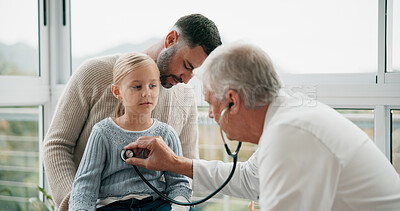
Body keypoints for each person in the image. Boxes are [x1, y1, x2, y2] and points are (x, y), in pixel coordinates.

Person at [124, 42, 400, 210]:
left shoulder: (291, 134)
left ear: (232, 101)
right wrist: (174, 163)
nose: (210, 115)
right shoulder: (287, 119)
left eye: (211, 103)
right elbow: (247, 179)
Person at [42, 14, 222, 211]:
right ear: (171, 39)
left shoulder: (186, 97)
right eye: (187, 66)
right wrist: (78, 204)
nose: (186, 80)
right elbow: (56, 146)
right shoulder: (93, 73)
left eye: (194, 74)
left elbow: (185, 168)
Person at [69, 52, 194, 211]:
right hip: (113, 206)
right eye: (137, 86)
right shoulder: (103, 132)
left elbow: (179, 183)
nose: (146, 93)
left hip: (155, 204)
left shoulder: (166, 134)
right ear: (117, 92)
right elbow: (85, 185)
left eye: (152, 86)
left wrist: (179, 208)